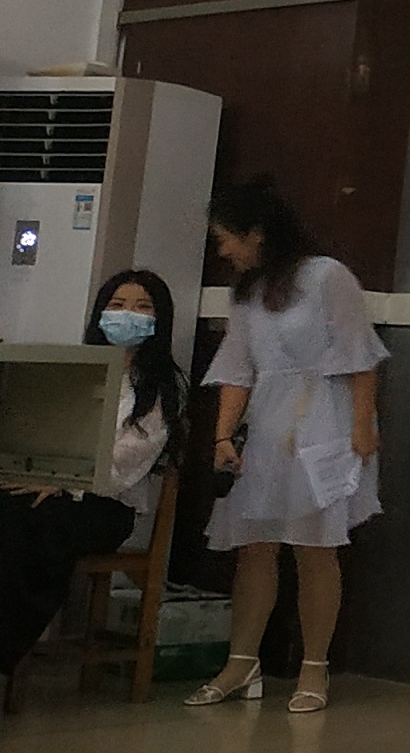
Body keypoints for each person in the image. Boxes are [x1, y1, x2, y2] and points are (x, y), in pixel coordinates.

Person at [188, 179, 386, 715]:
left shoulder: (326, 276)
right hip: (268, 423)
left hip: (325, 419)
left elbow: (360, 355)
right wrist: (223, 435)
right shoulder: (246, 294)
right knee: (254, 545)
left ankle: (314, 666)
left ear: (257, 233)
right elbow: (237, 368)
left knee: (315, 545)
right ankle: (240, 662)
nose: (223, 250)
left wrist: (362, 427)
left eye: (226, 238)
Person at [0, 269, 190, 678]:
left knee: (32, 523)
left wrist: (64, 482)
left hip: (103, 504)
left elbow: (126, 462)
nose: (127, 314)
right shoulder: (77, 369)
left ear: (159, 320)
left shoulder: (161, 388)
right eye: (117, 305)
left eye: (142, 307)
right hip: (44, 483)